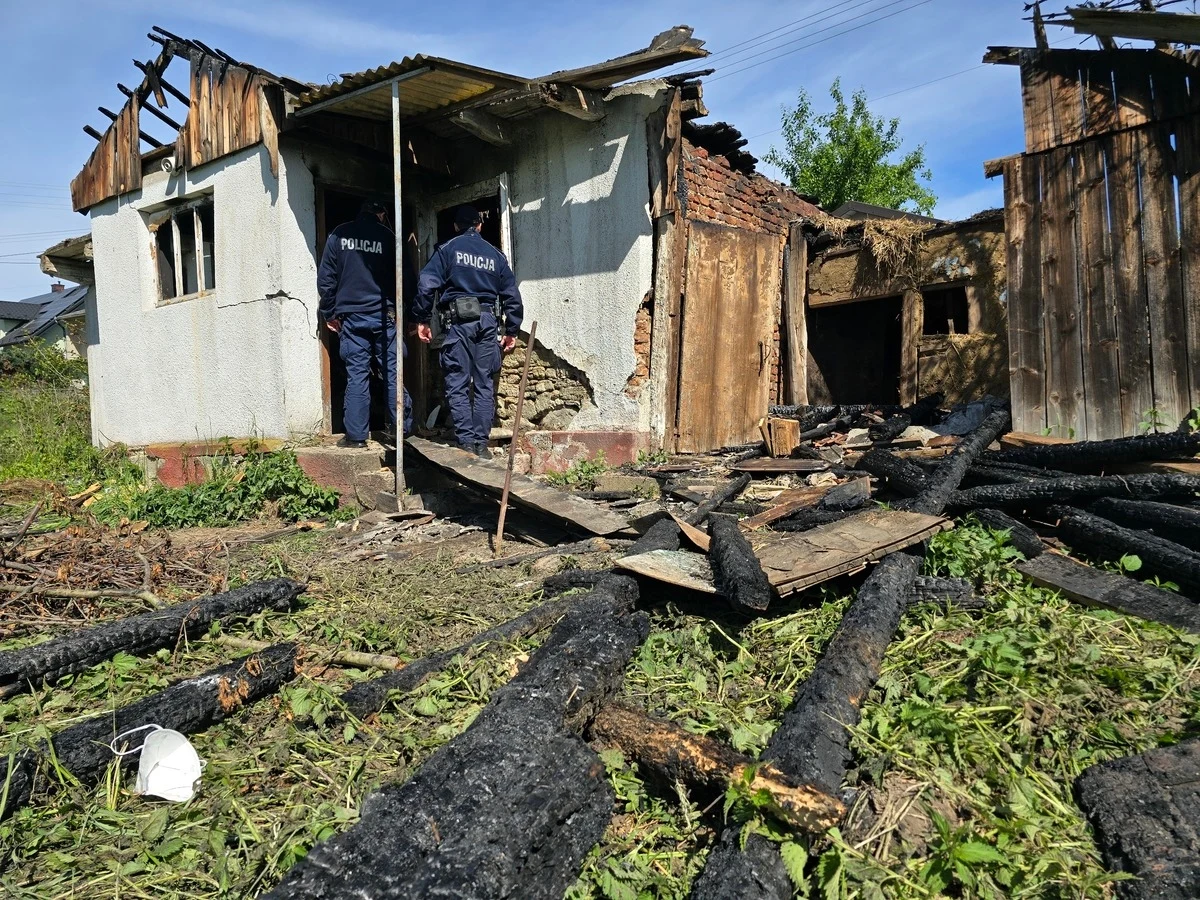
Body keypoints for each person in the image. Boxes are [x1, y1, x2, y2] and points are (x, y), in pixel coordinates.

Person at [413, 205, 523, 457]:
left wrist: (422, 319)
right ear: (479, 225)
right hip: (487, 322)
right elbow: (512, 296)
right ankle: (481, 446)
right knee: (485, 383)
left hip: (458, 323)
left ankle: (465, 443)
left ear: (455, 227)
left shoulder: (447, 249)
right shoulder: (495, 255)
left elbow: (426, 285)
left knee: (457, 382)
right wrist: (512, 329)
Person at [317, 198, 413, 449]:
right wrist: (413, 315)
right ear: (381, 214)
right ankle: (401, 431)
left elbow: (326, 279)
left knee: (357, 375)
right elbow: (407, 277)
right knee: (393, 372)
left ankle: (357, 437)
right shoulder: (389, 236)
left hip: (352, 317)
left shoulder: (339, 234)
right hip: (386, 316)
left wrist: (330, 313)